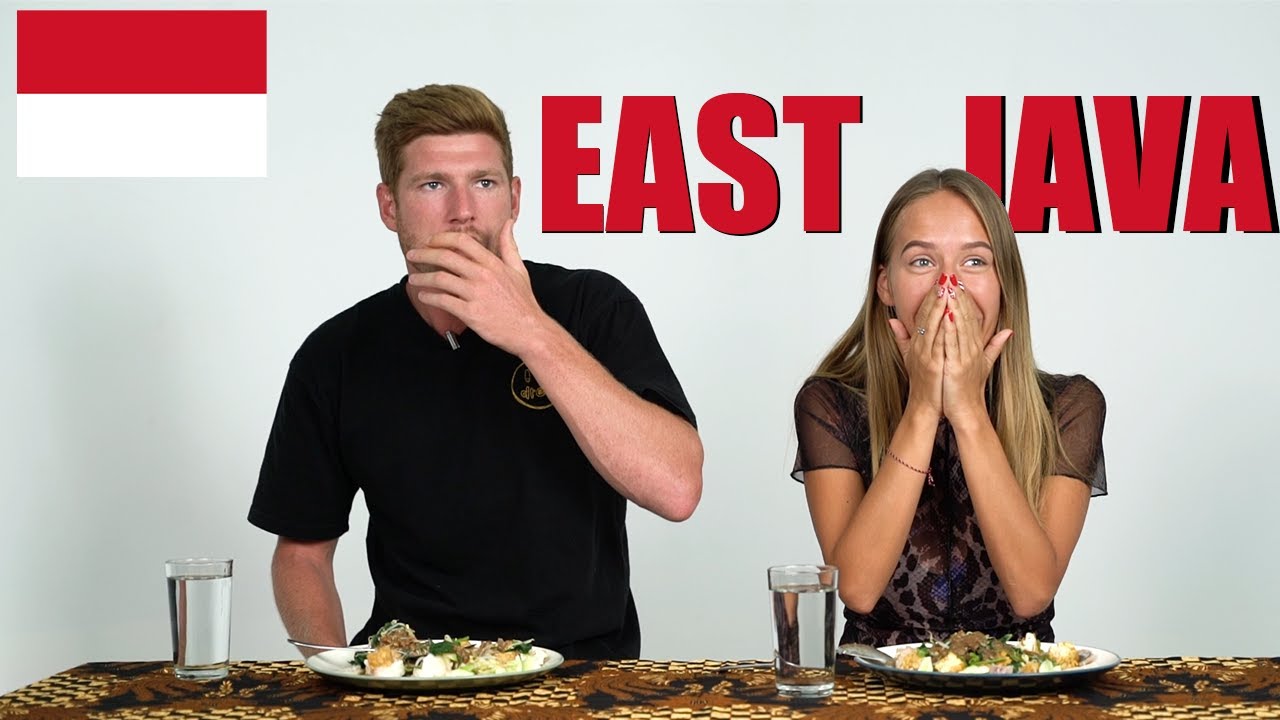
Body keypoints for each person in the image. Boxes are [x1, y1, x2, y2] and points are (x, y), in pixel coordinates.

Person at [249, 84, 703, 660]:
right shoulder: (334, 354)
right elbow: (302, 554)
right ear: (389, 206)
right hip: (414, 673)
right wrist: (339, 673)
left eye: (484, 183)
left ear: (514, 198)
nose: (462, 210)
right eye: (433, 184)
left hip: (580, 671)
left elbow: (676, 489)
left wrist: (529, 329)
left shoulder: (594, 308)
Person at [792, 168, 1105, 647]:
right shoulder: (829, 403)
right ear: (886, 286)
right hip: (878, 682)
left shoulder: (1070, 406)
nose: (948, 287)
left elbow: (1032, 593)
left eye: (975, 261)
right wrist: (922, 407)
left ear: (1004, 284)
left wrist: (969, 411)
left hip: (1015, 678)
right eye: (922, 261)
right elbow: (856, 588)